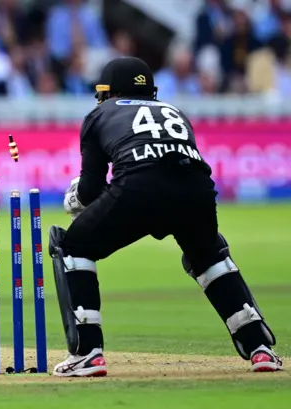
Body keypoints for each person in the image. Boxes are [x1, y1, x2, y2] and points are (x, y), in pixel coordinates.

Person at [49, 57, 283, 377]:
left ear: (109, 91)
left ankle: (87, 352)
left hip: (140, 188)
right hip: (197, 188)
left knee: (73, 246)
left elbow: (90, 190)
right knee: (207, 255)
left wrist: (75, 197)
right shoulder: (173, 111)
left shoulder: (99, 113)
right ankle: (260, 348)